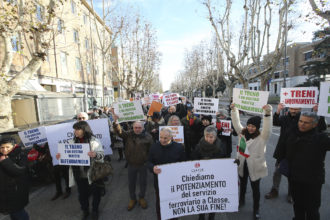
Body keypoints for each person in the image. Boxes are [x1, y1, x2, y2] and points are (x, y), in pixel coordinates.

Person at [265, 103, 327, 203]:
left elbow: (321, 127)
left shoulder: (304, 118)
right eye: (292, 108)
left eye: (296, 109)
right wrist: (278, 111)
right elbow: (275, 122)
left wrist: (318, 112)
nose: (293, 111)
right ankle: (274, 190)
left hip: (297, 152)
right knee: (277, 171)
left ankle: (291, 193)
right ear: (289, 108)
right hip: (282, 150)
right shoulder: (285, 118)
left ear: (300, 109)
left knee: (293, 175)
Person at [276, 112, 330, 220]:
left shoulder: (321, 138)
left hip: (312, 181)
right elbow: (282, 149)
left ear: (314, 124)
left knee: (312, 209)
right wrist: (280, 161)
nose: (302, 124)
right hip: (295, 178)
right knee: (298, 205)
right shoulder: (291, 133)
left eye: (306, 122)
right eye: (300, 121)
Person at [231, 103, 272, 220]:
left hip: (255, 166)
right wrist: (234, 109)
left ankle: (256, 209)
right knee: (242, 185)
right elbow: (236, 123)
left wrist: (268, 114)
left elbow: (268, 128)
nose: (250, 128)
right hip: (243, 164)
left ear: (257, 127)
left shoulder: (262, 137)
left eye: (253, 126)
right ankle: (241, 200)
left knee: (255, 189)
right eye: (249, 125)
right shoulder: (242, 133)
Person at [56, 121, 104, 220]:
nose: (75, 131)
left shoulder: (94, 141)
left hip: (93, 174)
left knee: (96, 193)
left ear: (84, 129)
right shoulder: (71, 142)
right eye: (74, 129)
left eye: (77, 129)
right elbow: (68, 157)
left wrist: (95, 155)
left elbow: (101, 156)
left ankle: (95, 210)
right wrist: (61, 157)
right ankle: (85, 211)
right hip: (79, 174)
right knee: (82, 195)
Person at [113, 119, 153, 211]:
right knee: (131, 183)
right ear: (133, 128)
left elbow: (151, 151)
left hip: (143, 164)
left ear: (143, 128)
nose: (137, 129)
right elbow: (120, 132)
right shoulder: (129, 134)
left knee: (143, 183)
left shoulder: (148, 137)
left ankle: (141, 198)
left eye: (139, 127)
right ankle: (132, 199)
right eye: (135, 127)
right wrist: (116, 123)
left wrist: (149, 162)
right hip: (131, 164)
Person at [148, 127, 186, 220]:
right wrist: (152, 168)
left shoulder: (179, 147)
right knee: (160, 202)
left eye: (165, 138)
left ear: (171, 137)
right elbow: (148, 162)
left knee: (174, 202)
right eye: (161, 137)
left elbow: (184, 163)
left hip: (174, 182)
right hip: (159, 181)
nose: (162, 140)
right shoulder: (154, 147)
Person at [191, 126, 227, 220]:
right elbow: (194, 160)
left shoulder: (221, 146)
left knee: (213, 198)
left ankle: (211, 216)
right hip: (202, 177)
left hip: (215, 178)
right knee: (202, 198)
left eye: (211, 137)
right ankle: (201, 216)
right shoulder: (198, 146)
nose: (208, 139)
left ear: (215, 137)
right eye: (207, 136)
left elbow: (225, 161)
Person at [0, 137, 30, 220]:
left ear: (14, 146)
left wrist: (5, 162)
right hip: (4, 193)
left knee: (19, 213)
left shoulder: (20, 155)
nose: (4, 150)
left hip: (16, 192)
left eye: (7, 147)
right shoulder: (1, 156)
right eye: (2, 147)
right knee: (13, 214)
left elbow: (19, 171)